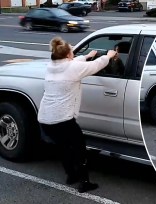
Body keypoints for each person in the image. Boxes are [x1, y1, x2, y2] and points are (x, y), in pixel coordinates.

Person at [37, 36, 117, 193]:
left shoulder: (51, 65)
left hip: (45, 119)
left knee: (64, 148)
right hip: (63, 120)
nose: (73, 53)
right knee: (79, 149)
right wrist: (107, 56)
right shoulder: (73, 68)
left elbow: (72, 64)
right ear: (68, 55)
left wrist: (86, 56)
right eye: (72, 51)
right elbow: (95, 65)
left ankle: (71, 175)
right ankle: (84, 182)